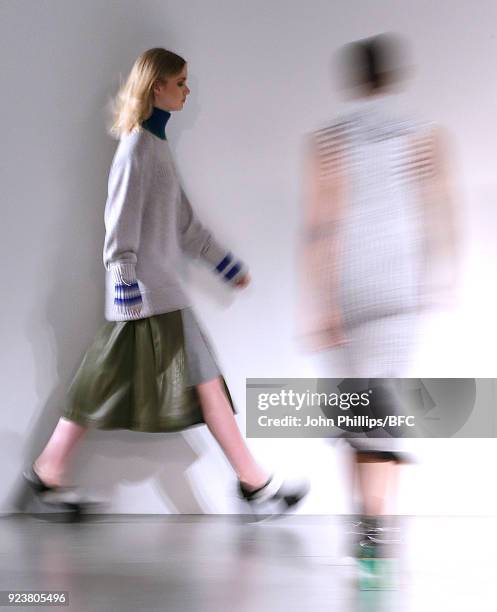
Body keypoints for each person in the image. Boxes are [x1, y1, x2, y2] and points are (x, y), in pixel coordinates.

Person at [23, 47, 308, 518]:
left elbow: (186, 224)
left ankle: (49, 471)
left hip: (157, 296)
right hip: (143, 299)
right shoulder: (136, 147)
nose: (187, 91)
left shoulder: (155, 148)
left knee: (190, 384)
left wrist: (226, 266)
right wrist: (125, 288)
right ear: (157, 86)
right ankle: (253, 485)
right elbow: (118, 228)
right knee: (127, 385)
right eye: (180, 82)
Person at [301, 34, 458, 559]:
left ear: (353, 81)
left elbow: (320, 225)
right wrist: (441, 275)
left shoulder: (331, 141)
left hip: (352, 288)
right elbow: (440, 209)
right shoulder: (423, 135)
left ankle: (370, 523)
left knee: (359, 410)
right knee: (377, 405)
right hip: (400, 288)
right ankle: (375, 524)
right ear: (394, 75)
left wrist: (318, 301)